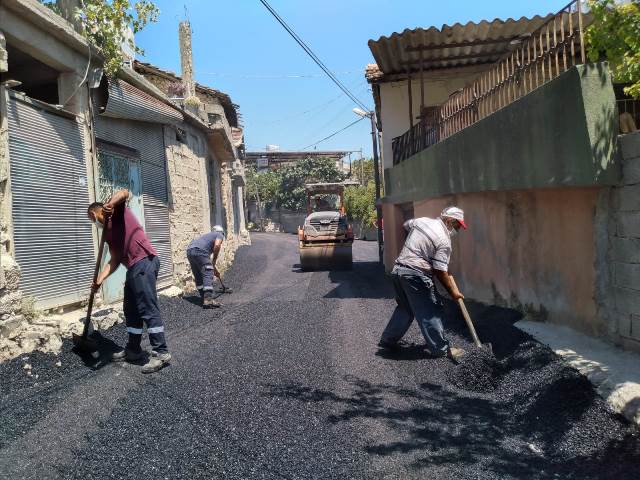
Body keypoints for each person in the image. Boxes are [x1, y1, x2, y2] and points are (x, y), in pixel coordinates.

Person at [87, 189, 171, 373]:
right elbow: (115, 259)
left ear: (95, 213)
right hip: (133, 267)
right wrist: (99, 280)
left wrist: (110, 203)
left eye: (91, 218)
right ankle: (133, 349)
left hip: (145, 260)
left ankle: (161, 352)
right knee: (131, 309)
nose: (93, 223)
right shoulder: (107, 235)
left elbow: (124, 192)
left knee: (147, 307)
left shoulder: (116, 212)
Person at [378, 206, 468, 362]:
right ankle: (441, 348)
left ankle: (387, 340)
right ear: (449, 221)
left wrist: (419, 245)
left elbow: (407, 225)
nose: (458, 230)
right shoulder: (444, 241)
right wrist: (453, 293)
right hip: (415, 275)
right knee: (429, 310)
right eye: (457, 225)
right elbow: (440, 272)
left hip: (399, 270)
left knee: (405, 308)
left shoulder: (422, 221)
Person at [186, 226, 225, 308]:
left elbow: (207, 263)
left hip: (190, 251)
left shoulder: (207, 237)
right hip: (200, 252)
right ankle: (208, 299)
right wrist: (214, 260)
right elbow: (217, 245)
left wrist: (215, 269)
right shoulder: (219, 234)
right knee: (208, 272)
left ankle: (203, 296)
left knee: (198, 274)